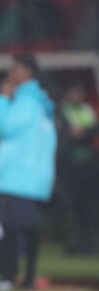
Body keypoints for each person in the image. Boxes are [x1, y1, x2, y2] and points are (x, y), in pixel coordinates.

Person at [0, 53, 57, 291]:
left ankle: (8, 277)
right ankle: (28, 277)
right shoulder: (42, 102)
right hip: (36, 178)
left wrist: (0, 99)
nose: (10, 75)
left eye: (14, 69)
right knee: (29, 229)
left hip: (17, 177)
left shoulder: (25, 101)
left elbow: (4, 128)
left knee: (8, 229)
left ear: (26, 72)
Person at [56, 84, 98, 254]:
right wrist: (83, 133)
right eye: (74, 91)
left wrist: (83, 133)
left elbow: (93, 130)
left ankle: (92, 244)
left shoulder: (87, 110)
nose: (77, 95)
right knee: (75, 208)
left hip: (89, 167)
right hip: (70, 168)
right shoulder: (62, 112)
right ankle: (79, 244)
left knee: (91, 207)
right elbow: (66, 134)